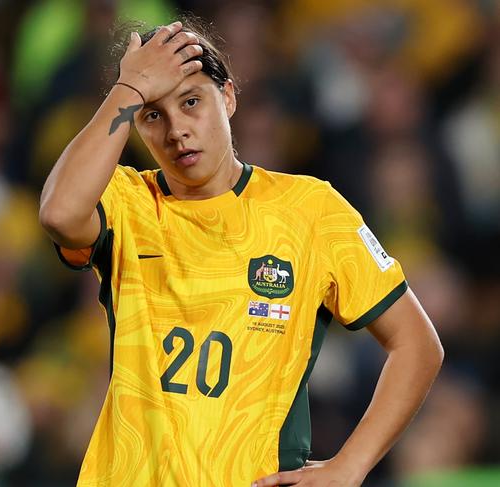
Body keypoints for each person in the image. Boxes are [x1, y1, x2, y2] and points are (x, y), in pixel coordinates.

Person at [39, 18, 444, 487]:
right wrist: (129, 87)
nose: (176, 131)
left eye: (191, 102)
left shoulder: (309, 209)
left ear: (228, 97)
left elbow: (417, 344)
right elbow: (59, 214)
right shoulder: (127, 201)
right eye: (152, 114)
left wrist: (352, 464)